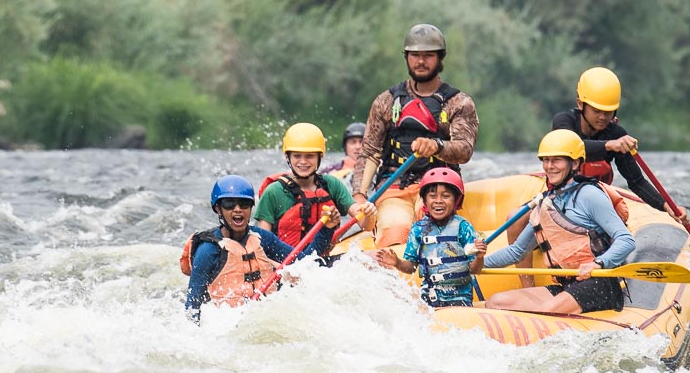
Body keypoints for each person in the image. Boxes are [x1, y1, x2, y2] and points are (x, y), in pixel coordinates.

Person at [351, 24, 479, 248]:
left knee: (432, 231)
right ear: (407, 57)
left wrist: (437, 146)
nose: (421, 61)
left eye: (428, 56)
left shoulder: (459, 102)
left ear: (440, 58)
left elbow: (464, 150)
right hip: (394, 188)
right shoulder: (386, 101)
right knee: (396, 232)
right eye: (415, 55)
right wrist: (360, 196)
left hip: (438, 187)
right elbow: (370, 152)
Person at [483, 130, 635, 315]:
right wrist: (472, 263)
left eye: (556, 160)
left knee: (545, 312)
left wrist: (599, 263)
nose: (549, 166)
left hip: (598, 283)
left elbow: (626, 240)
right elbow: (516, 252)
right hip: (568, 286)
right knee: (496, 302)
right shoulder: (546, 203)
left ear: (575, 163)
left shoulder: (589, 194)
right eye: (545, 160)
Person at [181, 174, 341, 323]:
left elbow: (303, 261)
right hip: (227, 322)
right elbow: (192, 305)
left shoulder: (262, 238)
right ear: (218, 209)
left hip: (265, 317)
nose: (237, 209)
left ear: (251, 207)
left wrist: (327, 229)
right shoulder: (208, 251)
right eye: (229, 204)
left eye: (244, 204)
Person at [551, 66, 687, 221]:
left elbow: (636, 182)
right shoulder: (563, 121)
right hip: (558, 196)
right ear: (581, 104)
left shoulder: (617, 134)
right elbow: (570, 148)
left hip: (593, 201)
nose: (602, 117)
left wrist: (665, 205)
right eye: (596, 111)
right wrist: (609, 145)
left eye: (608, 112)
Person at [375, 168, 486, 308]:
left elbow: (474, 270)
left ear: (456, 200)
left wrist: (480, 257)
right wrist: (397, 262)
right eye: (432, 196)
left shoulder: (463, 227)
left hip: (460, 297)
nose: (438, 201)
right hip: (428, 296)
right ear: (425, 201)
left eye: (446, 196)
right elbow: (410, 267)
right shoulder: (418, 229)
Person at [255, 123, 375, 245]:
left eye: (310, 156)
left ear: (320, 156)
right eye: (297, 156)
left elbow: (365, 225)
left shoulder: (332, 185)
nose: (303, 161)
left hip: (321, 259)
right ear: (287, 157)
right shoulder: (273, 192)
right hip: (285, 259)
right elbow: (263, 245)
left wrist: (369, 215)